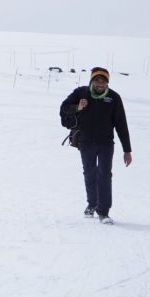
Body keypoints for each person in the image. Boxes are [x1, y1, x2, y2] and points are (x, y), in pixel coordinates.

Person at [60, 66, 132, 224]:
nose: (100, 83)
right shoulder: (81, 93)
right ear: (92, 80)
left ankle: (103, 212)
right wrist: (77, 107)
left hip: (106, 144)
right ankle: (92, 204)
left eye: (104, 80)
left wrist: (127, 150)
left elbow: (121, 125)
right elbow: (63, 108)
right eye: (97, 79)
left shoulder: (113, 98)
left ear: (107, 83)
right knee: (89, 173)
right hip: (85, 142)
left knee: (104, 175)